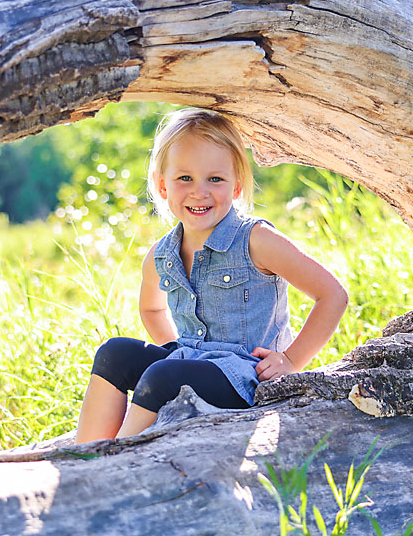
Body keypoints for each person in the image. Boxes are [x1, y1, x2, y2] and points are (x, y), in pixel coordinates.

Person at [74, 108, 349, 442]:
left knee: (163, 375)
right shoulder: (162, 254)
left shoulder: (255, 240)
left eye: (215, 179)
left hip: (245, 375)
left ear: (236, 186)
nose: (199, 192)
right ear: (163, 186)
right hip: (192, 363)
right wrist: (174, 353)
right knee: (115, 352)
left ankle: (115, 460)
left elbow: (332, 295)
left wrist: (290, 361)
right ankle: (86, 451)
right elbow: (151, 309)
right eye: (184, 178)